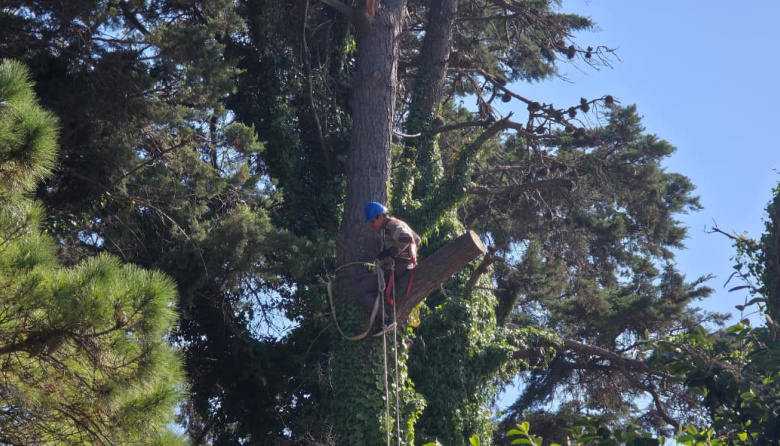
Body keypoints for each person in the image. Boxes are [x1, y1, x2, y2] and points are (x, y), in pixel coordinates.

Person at [359, 202, 421, 337]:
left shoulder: (391, 226)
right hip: (404, 266)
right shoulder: (399, 223)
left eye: (372, 221)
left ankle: (387, 320)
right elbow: (417, 240)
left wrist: (390, 253)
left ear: (381, 216)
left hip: (398, 268)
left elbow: (407, 238)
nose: (371, 225)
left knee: (363, 289)